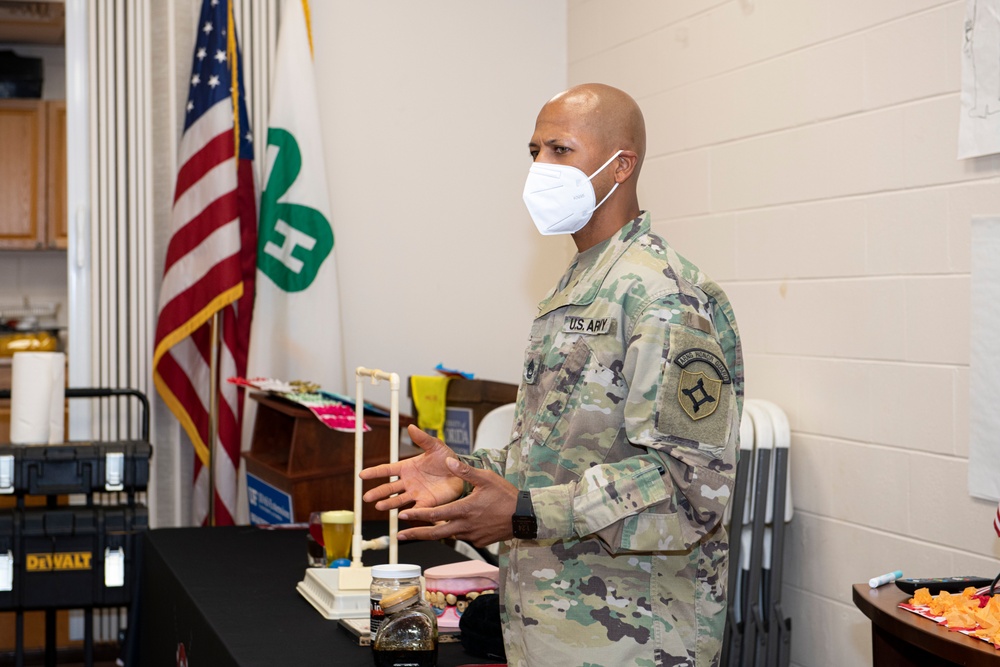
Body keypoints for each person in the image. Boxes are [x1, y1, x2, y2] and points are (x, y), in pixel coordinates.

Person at [360, 83, 744, 667]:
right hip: (551, 631)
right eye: (534, 151)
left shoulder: (663, 296)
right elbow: (562, 462)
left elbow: (691, 492)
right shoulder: (579, 284)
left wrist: (524, 512)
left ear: (622, 165)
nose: (540, 167)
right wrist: (466, 473)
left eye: (560, 150)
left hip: (634, 639)